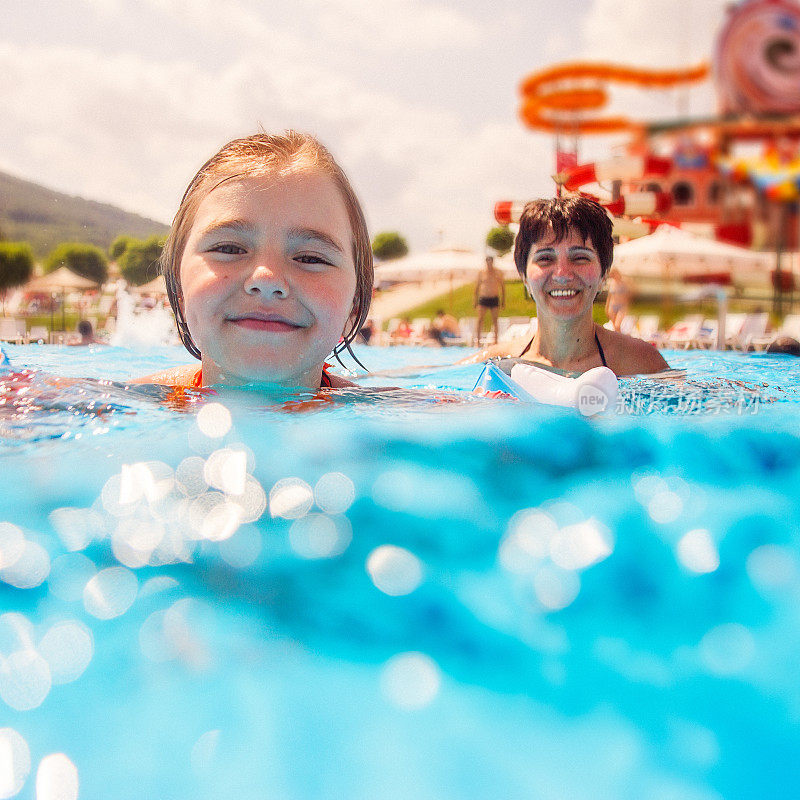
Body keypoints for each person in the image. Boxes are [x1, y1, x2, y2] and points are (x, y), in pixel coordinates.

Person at [136, 131, 373, 389]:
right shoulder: (115, 406)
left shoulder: (397, 418)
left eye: (310, 257)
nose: (267, 279)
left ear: (355, 305)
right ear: (179, 288)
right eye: (229, 249)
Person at [462, 197, 669, 376]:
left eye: (580, 257)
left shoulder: (641, 363)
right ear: (524, 275)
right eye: (545, 259)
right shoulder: (492, 366)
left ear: (604, 273)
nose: (562, 274)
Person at [474, 256, 505, 346]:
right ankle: (478, 341)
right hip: (483, 298)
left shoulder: (497, 272)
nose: (489, 263)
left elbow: (502, 287)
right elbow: (477, 287)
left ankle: (496, 341)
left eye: (490, 261)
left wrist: (503, 301)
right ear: (486, 262)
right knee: (480, 320)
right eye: (487, 261)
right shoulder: (482, 272)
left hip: (494, 298)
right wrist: (475, 301)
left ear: (492, 262)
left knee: (495, 320)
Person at [604, 267, 631, 332]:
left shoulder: (624, 283)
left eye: (614, 274)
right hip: (612, 306)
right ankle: (618, 339)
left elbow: (628, 296)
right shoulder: (612, 283)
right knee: (614, 327)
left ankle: (620, 339)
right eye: (612, 275)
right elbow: (609, 296)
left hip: (621, 306)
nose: (613, 277)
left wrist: (626, 306)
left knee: (617, 325)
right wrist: (607, 307)